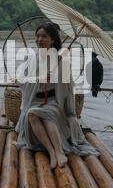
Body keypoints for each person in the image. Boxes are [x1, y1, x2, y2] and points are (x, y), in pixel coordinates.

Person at [14, 22, 99, 169]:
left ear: (52, 40)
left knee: (40, 114)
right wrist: (39, 79)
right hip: (34, 101)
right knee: (33, 114)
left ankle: (59, 152)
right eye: (38, 36)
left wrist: (60, 67)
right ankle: (53, 152)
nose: (39, 39)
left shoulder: (61, 59)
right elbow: (21, 80)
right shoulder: (32, 58)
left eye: (44, 36)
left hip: (53, 102)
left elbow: (67, 87)